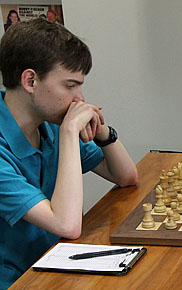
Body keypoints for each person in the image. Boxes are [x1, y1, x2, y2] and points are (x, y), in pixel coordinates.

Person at [0, 18, 138, 289]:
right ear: (30, 80)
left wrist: (105, 133)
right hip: (17, 280)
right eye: (70, 85)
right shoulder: (59, 128)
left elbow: (126, 177)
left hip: (55, 264)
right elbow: (67, 225)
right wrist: (69, 132)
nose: (80, 98)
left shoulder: (48, 124)